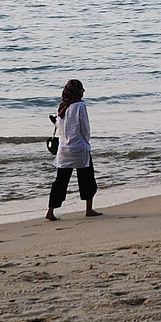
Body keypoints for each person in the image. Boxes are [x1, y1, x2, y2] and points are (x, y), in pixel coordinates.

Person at [45, 79, 102, 221]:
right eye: (81, 88)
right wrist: (87, 143)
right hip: (79, 148)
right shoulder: (80, 105)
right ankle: (88, 210)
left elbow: (59, 126)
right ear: (77, 91)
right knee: (87, 179)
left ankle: (50, 211)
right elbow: (85, 128)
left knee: (60, 182)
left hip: (64, 150)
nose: (83, 91)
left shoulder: (61, 106)